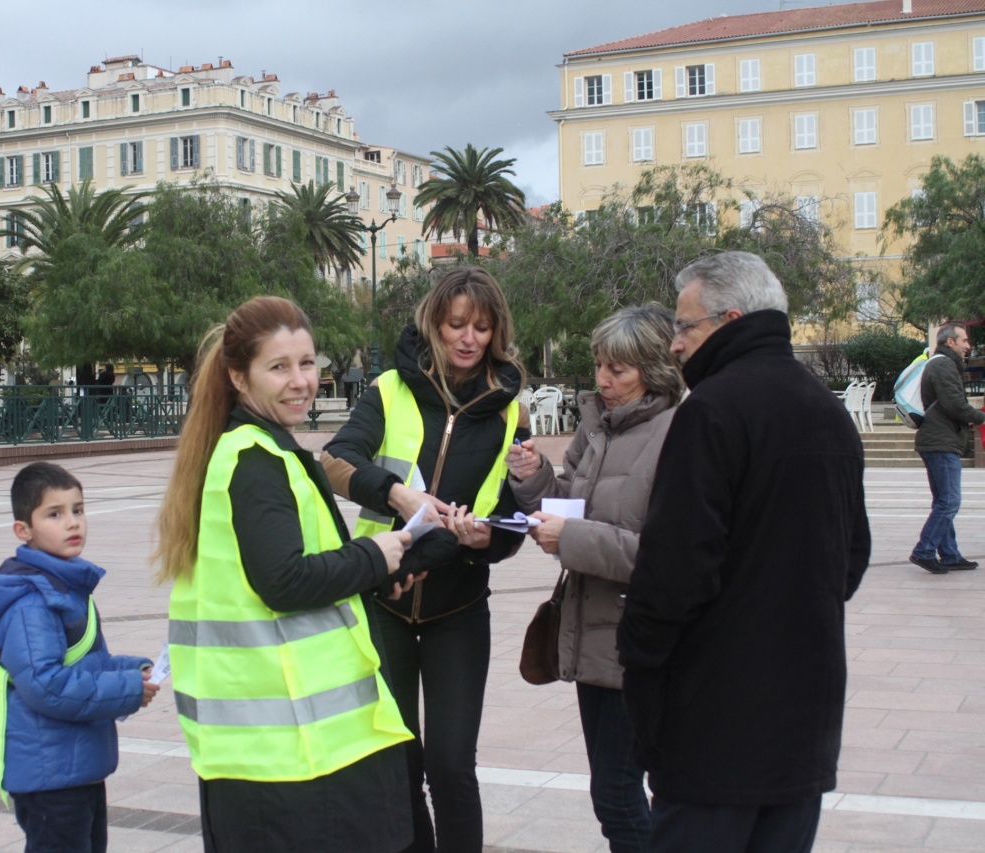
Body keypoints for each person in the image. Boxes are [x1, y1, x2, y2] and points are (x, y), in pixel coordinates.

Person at [155, 295, 432, 853]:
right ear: (238, 376)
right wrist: (374, 557)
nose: (300, 381)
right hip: (290, 760)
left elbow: (290, 569)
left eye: (307, 363)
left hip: (288, 752)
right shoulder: (255, 460)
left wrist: (374, 573)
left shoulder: (260, 450)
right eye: (278, 367)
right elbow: (282, 580)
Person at [617, 252, 871, 853]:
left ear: (730, 319)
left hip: (715, 717)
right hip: (805, 710)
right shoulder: (827, 410)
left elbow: (676, 567)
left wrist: (641, 659)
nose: (675, 344)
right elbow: (851, 557)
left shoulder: (711, 410)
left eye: (685, 326)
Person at [321, 267, 529, 853]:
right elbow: (335, 461)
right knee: (399, 763)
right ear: (434, 322)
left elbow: (511, 518)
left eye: (482, 328)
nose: (468, 338)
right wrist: (398, 493)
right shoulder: (390, 387)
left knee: (451, 767)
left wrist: (486, 540)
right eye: (456, 323)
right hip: (383, 603)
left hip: (458, 607)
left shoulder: (510, 407)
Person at [506, 304, 685, 853]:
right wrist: (534, 476)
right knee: (619, 791)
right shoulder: (597, 426)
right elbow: (569, 507)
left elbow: (666, 556)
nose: (603, 380)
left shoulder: (679, 432)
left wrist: (571, 539)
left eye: (619, 370)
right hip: (592, 635)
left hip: (643, 642)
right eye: (600, 366)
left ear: (653, 369)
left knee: (618, 794)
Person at [0, 461, 159, 853]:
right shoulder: (31, 603)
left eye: (78, 509)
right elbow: (47, 685)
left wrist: (133, 670)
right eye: (54, 514)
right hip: (49, 776)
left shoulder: (65, 586)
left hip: (75, 768)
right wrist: (125, 689)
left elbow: (84, 662)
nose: (72, 522)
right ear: (24, 530)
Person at [909, 322, 985, 574]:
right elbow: (954, 404)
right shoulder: (942, 364)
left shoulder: (942, 364)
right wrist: (979, 415)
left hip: (938, 440)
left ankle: (950, 555)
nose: (968, 346)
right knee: (950, 501)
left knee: (943, 500)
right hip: (940, 442)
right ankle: (924, 551)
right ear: (950, 342)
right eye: (964, 340)